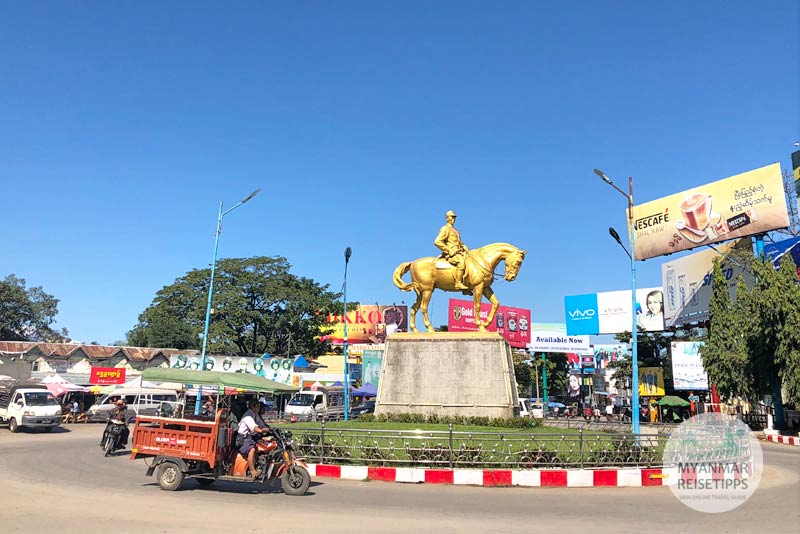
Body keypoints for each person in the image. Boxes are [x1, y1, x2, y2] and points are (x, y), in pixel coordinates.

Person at [434, 210, 469, 290]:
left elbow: (459, 243)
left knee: (470, 262)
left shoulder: (456, 231)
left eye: (454, 217)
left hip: (459, 252)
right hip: (451, 254)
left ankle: (466, 286)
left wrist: (464, 246)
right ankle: (458, 283)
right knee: (461, 262)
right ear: (447, 218)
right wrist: (449, 250)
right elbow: (437, 241)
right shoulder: (445, 229)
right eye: (451, 217)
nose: (453, 219)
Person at [237, 399, 272, 478]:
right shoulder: (248, 416)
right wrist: (261, 431)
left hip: (251, 438)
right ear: (252, 407)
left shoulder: (255, 414)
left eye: (259, 406)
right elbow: (254, 427)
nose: (259, 408)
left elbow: (261, 424)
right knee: (251, 450)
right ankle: (253, 472)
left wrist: (268, 429)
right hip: (243, 439)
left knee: (261, 446)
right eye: (257, 406)